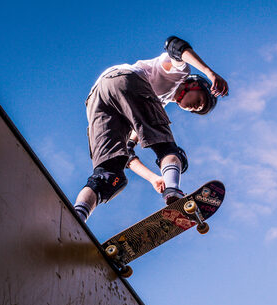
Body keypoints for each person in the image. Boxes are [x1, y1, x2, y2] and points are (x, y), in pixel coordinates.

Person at [73, 35, 228, 222]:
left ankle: (76, 216)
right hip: (126, 79)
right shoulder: (180, 73)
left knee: (109, 176)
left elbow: (128, 150)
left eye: (197, 110)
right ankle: (174, 192)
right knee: (169, 150)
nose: (195, 108)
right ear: (194, 85)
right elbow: (175, 46)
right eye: (200, 101)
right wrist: (209, 72)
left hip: (97, 97)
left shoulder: (155, 104)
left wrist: (153, 178)